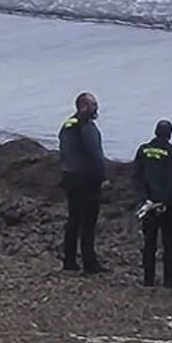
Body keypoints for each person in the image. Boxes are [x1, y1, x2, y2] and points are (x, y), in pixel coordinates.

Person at [58, 92, 106, 275]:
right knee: (88, 222)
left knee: (74, 219)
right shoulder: (86, 127)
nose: (96, 108)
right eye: (93, 105)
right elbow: (94, 153)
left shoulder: (67, 125)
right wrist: (102, 176)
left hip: (69, 176)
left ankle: (69, 260)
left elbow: (64, 150)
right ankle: (89, 263)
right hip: (86, 178)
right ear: (83, 106)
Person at [132, 119, 172, 288]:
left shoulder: (143, 150)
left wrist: (143, 198)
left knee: (149, 243)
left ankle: (148, 278)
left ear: (155, 132)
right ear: (169, 134)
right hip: (166, 206)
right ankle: (169, 279)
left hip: (147, 204)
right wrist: (166, 201)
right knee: (169, 243)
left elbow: (137, 176)